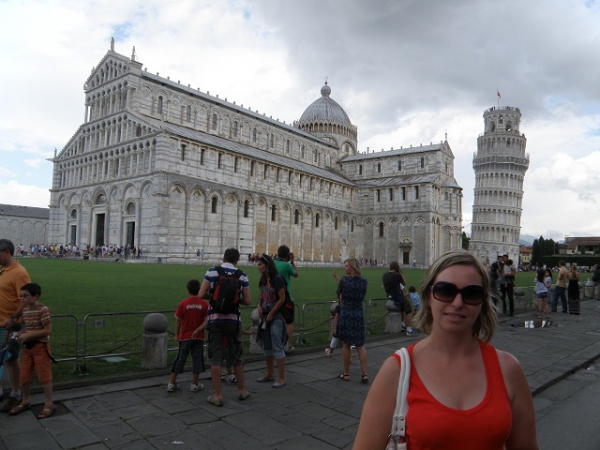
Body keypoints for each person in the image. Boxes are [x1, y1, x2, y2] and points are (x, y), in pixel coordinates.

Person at [354, 250, 538, 449]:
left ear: (483, 303)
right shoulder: (396, 371)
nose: (457, 303)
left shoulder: (508, 369)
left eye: (472, 294)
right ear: (428, 297)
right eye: (445, 291)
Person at [197, 248, 252, 406]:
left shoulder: (212, 272)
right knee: (236, 356)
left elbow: (201, 295)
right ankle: (241, 391)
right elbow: (248, 301)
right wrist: (235, 300)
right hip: (234, 321)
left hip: (215, 320)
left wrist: (214, 297)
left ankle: (217, 395)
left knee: (215, 358)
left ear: (223, 258)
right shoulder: (241, 275)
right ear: (237, 260)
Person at [8, 283, 55, 419]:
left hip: (41, 346)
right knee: (24, 375)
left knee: (44, 376)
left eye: (25, 296)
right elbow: (27, 328)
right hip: (27, 348)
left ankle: (49, 404)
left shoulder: (43, 310)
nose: (22, 299)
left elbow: (47, 330)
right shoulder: (25, 310)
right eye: (21, 296)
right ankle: (25, 400)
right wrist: (17, 334)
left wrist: (27, 335)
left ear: (35, 296)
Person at [0, 239, 31, 412]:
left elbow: (27, 300)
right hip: (1, 324)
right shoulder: (3, 269)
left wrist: (13, 318)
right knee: (1, 359)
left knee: (11, 360)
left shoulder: (20, 272)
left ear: (7, 252)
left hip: (11, 325)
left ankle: (16, 394)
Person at [167, 279, 209, 393]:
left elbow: (178, 321)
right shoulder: (204, 303)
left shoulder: (183, 303)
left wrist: (177, 334)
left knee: (180, 359)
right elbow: (207, 320)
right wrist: (199, 329)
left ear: (188, 290)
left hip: (185, 336)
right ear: (199, 289)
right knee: (197, 359)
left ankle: (172, 383)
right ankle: (194, 384)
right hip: (198, 337)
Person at [255, 254, 287, 388]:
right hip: (265, 316)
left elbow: (282, 298)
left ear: (267, 265)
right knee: (267, 346)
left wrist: (272, 313)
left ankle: (281, 378)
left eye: (260, 265)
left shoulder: (277, 279)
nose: (258, 267)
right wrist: (259, 306)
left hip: (276, 316)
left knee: (276, 345)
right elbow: (262, 296)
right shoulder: (263, 279)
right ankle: (270, 373)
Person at [336, 258, 369, 384]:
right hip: (358, 313)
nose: (344, 268)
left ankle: (346, 373)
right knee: (360, 344)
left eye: (346, 266)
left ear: (352, 267)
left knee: (346, 344)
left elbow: (338, 295)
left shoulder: (344, 280)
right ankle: (364, 373)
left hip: (346, 313)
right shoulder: (364, 282)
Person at [273, 245, 299, 354]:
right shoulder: (287, 265)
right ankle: (286, 346)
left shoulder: (272, 263)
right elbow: (296, 274)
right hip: (286, 298)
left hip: (273, 297)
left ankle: (274, 345)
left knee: (274, 321)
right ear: (288, 254)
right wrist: (292, 262)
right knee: (289, 322)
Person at [382, 261, 417, 336]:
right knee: (409, 310)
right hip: (397, 297)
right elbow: (404, 282)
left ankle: (402, 324)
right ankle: (409, 330)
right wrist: (401, 273)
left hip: (389, 297)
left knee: (402, 309)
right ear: (397, 268)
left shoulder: (384, 275)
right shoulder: (397, 275)